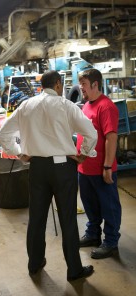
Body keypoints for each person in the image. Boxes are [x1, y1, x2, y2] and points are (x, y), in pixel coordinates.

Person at [0, 70, 97, 282]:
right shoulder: (66, 106)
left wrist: (19, 152)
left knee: (37, 218)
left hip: (38, 167)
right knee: (68, 219)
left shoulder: (26, 105)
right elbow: (91, 133)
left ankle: (35, 263)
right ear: (59, 84)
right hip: (64, 168)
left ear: (42, 85)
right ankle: (74, 270)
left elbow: (3, 134)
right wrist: (84, 154)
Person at [77, 68, 122, 259]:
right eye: (81, 85)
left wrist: (107, 166)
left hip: (100, 169)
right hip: (85, 168)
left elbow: (111, 139)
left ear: (95, 84)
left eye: (84, 85)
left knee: (109, 206)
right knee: (90, 206)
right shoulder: (87, 105)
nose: (81, 88)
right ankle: (93, 234)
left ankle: (111, 242)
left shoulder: (107, 107)